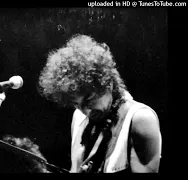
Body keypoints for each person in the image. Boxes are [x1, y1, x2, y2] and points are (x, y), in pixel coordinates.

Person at [38, 34, 162, 173]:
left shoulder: (141, 120)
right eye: (76, 104)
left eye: (89, 100)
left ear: (107, 83)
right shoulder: (78, 117)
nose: (86, 111)